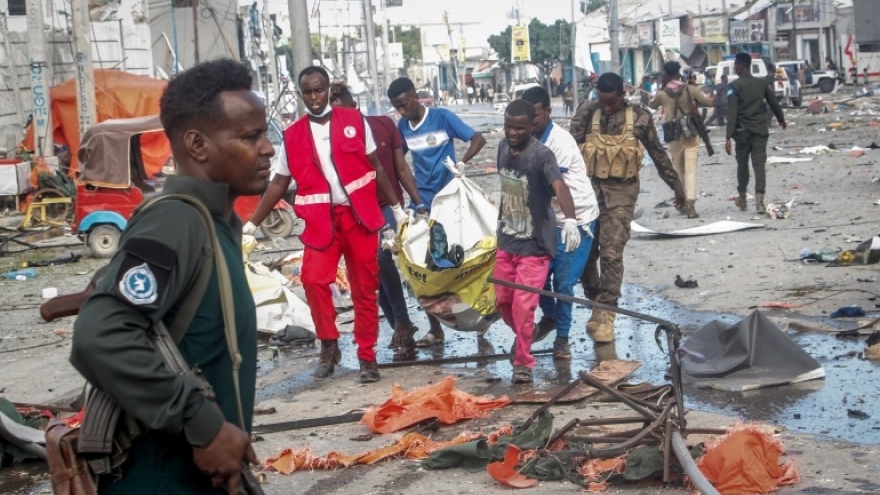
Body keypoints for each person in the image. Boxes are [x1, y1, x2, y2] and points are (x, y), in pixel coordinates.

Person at [70, 59, 268, 493]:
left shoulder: (216, 224)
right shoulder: (177, 222)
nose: (268, 148)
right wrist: (204, 424)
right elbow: (99, 336)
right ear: (197, 144)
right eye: (251, 136)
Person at [246, 66, 405, 382]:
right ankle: (329, 344)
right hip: (321, 223)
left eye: (319, 90)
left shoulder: (354, 122)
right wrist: (251, 225)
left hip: (358, 217)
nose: (314, 97)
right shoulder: (292, 136)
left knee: (364, 288)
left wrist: (398, 209)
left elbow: (377, 167)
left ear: (328, 90)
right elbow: (279, 182)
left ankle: (367, 357)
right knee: (314, 280)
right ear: (301, 93)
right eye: (308, 92)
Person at [570, 72, 685, 344]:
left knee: (611, 252)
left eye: (611, 102)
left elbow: (657, 152)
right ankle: (596, 300)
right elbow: (567, 149)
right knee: (586, 254)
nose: (606, 107)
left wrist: (676, 185)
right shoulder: (587, 111)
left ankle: (607, 313)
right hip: (588, 192)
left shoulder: (640, 117)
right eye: (602, 100)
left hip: (621, 192)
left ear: (623, 94)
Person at [328, 82, 426, 361]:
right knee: (370, 271)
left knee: (382, 257)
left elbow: (401, 167)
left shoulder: (383, 125)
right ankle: (400, 326)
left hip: (386, 206)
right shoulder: (331, 140)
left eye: (342, 112)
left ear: (354, 108)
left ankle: (403, 321)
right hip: (355, 210)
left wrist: (417, 202)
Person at [387, 76, 486, 347]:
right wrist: (413, 201)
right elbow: (400, 164)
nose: (402, 111)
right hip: (423, 202)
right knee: (420, 269)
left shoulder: (442, 118)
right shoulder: (402, 127)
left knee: (464, 262)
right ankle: (435, 329)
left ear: (415, 97)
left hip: (451, 201)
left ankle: (480, 320)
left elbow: (478, 138)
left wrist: (462, 163)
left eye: (404, 104)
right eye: (397, 107)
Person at [494, 99, 581, 383]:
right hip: (507, 241)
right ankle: (523, 336)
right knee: (504, 302)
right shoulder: (501, 149)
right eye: (508, 127)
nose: (513, 133)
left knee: (523, 306)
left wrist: (570, 219)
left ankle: (523, 363)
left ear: (532, 125)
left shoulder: (542, 155)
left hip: (535, 247)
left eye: (519, 128)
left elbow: (559, 186)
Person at [521, 87, 599, 359]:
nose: (531, 123)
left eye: (536, 116)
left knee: (564, 283)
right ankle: (552, 317)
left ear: (547, 112)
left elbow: (554, 187)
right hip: (546, 218)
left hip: (574, 218)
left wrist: (572, 221)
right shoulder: (524, 139)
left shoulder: (559, 142)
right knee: (536, 278)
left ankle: (563, 338)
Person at [648, 61, 714, 219]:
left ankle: (681, 201)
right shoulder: (690, 89)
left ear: (666, 74)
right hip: (690, 132)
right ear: (678, 73)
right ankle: (690, 202)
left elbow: (651, 105)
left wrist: (659, 89)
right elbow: (708, 102)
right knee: (691, 168)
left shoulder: (663, 93)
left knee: (678, 169)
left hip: (673, 135)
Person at [726, 52, 786, 214]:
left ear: (740, 66)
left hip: (742, 133)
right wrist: (781, 119)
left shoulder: (734, 87)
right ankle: (760, 201)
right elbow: (773, 102)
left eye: (735, 65)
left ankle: (743, 198)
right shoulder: (761, 83)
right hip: (760, 130)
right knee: (759, 164)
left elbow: (732, 113)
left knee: (742, 164)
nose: (735, 68)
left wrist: (728, 136)